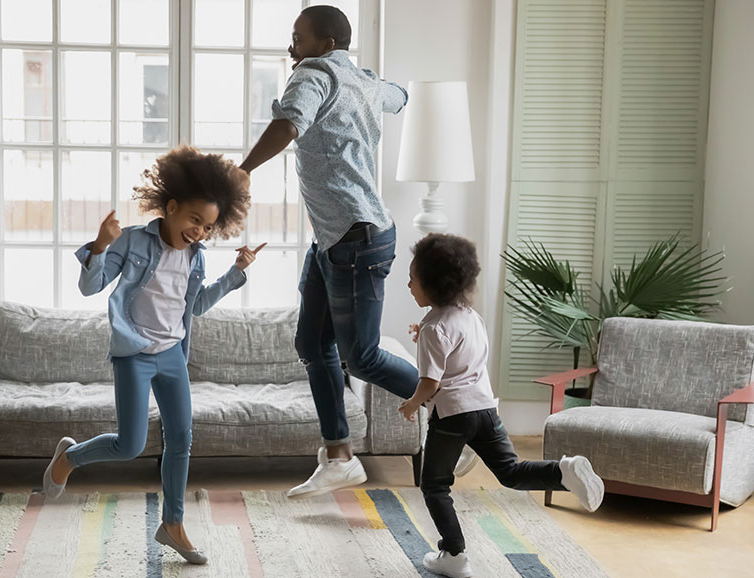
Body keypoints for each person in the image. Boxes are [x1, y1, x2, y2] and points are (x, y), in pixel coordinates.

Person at [239, 4, 476, 498]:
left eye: (298, 38)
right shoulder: (361, 79)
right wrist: (390, 90)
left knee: (362, 357)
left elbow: (289, 124)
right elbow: (399, 96)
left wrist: (242, 171)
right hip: (335, 238)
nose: (292, 47)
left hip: (356, 239)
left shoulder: (314, 72)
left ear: (325, 44)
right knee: (311, 344)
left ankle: (463, 413)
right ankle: (340, 456)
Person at [42, 146, 262, 565]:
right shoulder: (133, 241)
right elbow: (91, 287)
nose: (199, 231)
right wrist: (101, 247)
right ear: (173, 207)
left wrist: (237, 273)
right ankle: (69, 458)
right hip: (135, 355)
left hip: (173, 355)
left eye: (207, 226)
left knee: (181, 440)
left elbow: (195, 305)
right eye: (194, 220)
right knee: (130, 445)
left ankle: (173, 523)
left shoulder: (196, 258)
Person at [399, 233, 605, 578]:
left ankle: (454, 554)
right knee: (510, 471)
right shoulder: (469, 316)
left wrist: (411, 404)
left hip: (451, 416)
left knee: (434, 484)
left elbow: (431, 383)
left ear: (433, 285)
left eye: (413, 279)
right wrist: (426, 330)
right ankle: (563, 472)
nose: (408, 284)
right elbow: (457, 346)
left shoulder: (435, 328)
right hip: (484, 410)